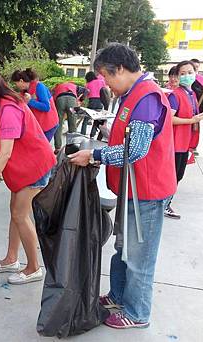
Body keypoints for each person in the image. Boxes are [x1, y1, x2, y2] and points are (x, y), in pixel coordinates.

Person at [69, 43, 177, 329]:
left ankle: (137, 312)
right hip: (131, 189)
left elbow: (135, 150)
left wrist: (95, 154)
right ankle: (118, 295)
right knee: (123, 248)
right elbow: (128, 138)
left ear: (120, 69)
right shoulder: (132, 95)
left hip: (146, 191)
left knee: (139, 256)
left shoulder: (147, 98)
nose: (105, 84)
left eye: (106, 77)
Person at [0, 61, 56, 285]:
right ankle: (11, 259)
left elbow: (5, 154)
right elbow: (0, 150)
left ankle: (34, 268)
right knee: (16, 211)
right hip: (26, 166)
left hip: (35, 167)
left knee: (20, 215)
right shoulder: (3, 103)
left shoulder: (8, 109)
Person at [164, 60, 203, 219]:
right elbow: (169, 118)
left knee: (178, 176)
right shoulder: (176, 95)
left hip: (184, 143)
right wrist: (191, 120)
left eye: (190, 72)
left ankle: (165, 203)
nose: (186, 76)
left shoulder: (192, 94)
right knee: (172, 176)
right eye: (182, 73)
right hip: (175, 143)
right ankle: (163, 204)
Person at [10, 69, 59, 143]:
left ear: (21, 81)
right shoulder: (25, 91)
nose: (16, 85)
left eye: (15, 83)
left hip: (49, 125)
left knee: (42, 149)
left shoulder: (39, 86)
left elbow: (46, 107)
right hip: (39, 125)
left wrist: (30, 101)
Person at [52, 81, 79, 150]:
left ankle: (57, 147)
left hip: (60, 99)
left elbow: (53, 99)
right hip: (72, 100)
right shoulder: (74, 86)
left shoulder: (57, 87)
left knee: (58, 124)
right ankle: (72, 147)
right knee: (73, 123)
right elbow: (86, 91)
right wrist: (80, 100)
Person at [81, 71, 107, 137]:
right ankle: (92, 135)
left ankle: (82, 134)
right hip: (100, 102)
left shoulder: (88, 84)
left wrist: (81, 100)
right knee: (96, 120)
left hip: (91, 102)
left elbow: (86, 94)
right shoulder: (101, 82)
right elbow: (105, 91)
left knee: (86, 119)